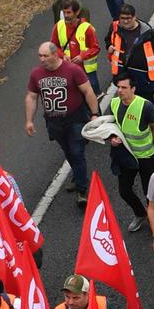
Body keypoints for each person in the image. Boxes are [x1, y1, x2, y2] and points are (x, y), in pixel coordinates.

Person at [24, 39, 98, 205]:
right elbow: (32, 96)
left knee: (77, 152)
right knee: (68, 152)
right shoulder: (36, 74)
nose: (42, 59)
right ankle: (79, 176)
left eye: (45, 55)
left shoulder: (72, 70)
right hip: (54, 122)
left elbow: (88, 91)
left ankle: (82, 189)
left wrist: (94, 114)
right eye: (39, 55)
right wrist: (29, 120)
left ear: (55, 55)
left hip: (75, 119)